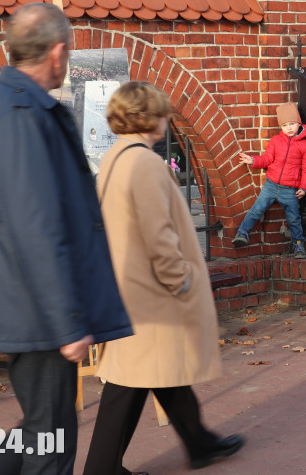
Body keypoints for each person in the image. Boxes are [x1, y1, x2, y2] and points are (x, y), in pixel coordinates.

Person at [0, 2, 132, 475]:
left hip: (20, 299)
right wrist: (68, 320)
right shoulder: (22, 111)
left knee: (41, 429)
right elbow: (35, 224)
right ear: (58, 52)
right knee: (49, 441)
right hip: (36, 307)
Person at [83, 82, 244, 473]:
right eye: (162, 112)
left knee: (156, 371)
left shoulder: (117, 159)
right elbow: (159, 234)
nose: (168, 119)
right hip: (154, 291)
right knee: (130, 382)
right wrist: (180, 279)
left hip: (135, 286)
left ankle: (200, 442)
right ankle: (101, 468)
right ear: (147, 116)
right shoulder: (144, 164)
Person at [232, 103, 306, 255]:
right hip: (271, 185)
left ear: (299, 123)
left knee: (294, 218)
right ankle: (242, 233)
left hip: (290, 190)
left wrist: (304, 187)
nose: (289, 128)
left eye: (292, 124)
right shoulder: (276, 141)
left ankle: (298, 245)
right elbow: (267, 159)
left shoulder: (305, 146)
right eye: (284, 125)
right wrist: (253, 160)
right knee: (257, 209)